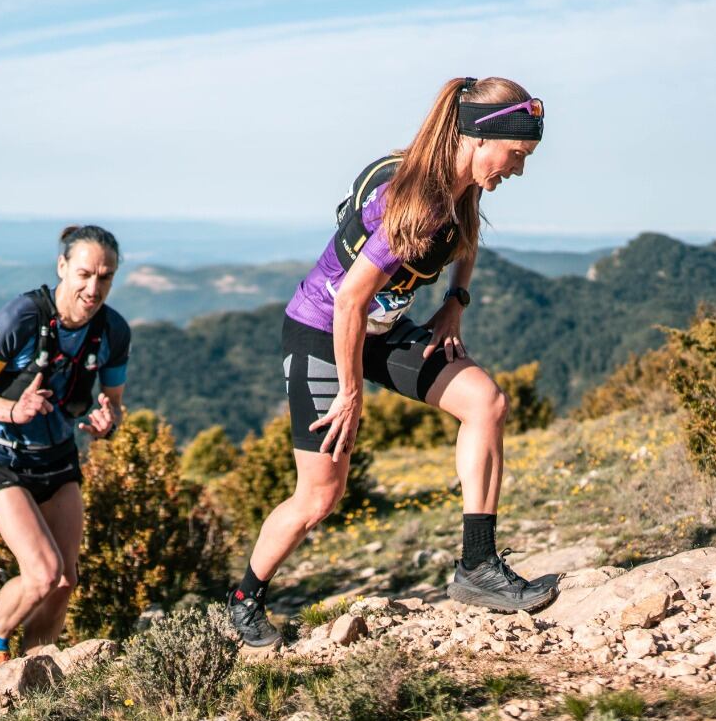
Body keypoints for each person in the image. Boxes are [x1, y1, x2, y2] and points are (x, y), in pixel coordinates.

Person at [228, 77, 561, 649]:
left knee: (485, 403)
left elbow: (468, 237)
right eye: (516, 154)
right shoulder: (417, 202)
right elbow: (349, 301)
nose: (519, 169)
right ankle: (244, 600)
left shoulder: (461, 184)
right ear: (480, 137)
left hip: (379, 328)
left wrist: (455, 302)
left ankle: (478, 566)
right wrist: (350, 393)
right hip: (323, 330)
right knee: (320, 497)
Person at [0, 225, 130, 672]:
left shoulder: (113, 331)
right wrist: (13, 410)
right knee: (43, 572)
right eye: (84, 274)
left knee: (65, 580)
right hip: (1, 457)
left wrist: (107, 423)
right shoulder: (23, 318)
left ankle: (35, 669)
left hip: (58, 458)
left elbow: (113, 405)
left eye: (105, 277)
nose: (94, 288)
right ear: (62, 267)